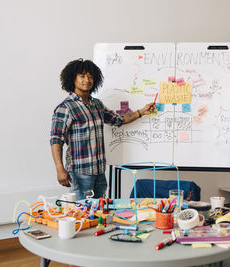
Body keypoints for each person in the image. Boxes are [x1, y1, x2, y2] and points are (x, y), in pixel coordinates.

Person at [50, 59, 155, 200]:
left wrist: (141, 112)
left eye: (90, 76)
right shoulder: (66, 107)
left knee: (99, 212)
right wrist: (59, 168)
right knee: (83, 213)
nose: (87, 80)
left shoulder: (97, 104)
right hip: (80, 172)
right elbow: (56, 139)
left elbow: (118, 119)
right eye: (82, 76)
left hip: (99, 171)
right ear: (72, 79)